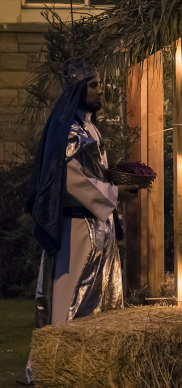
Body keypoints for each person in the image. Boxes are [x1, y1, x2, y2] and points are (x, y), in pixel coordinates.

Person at [29, 59, 132, 328]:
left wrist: (116, 180)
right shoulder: (70, 133)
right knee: (71, 298)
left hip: (100, 228)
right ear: (78, 90)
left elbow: (96, 173)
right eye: (93, 85)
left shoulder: (89, 127)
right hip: (76, 232)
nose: (101, 90)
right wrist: (116, 192)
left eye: (100, 84)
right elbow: (73, 180)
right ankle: (62, 360)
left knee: (101, 299)